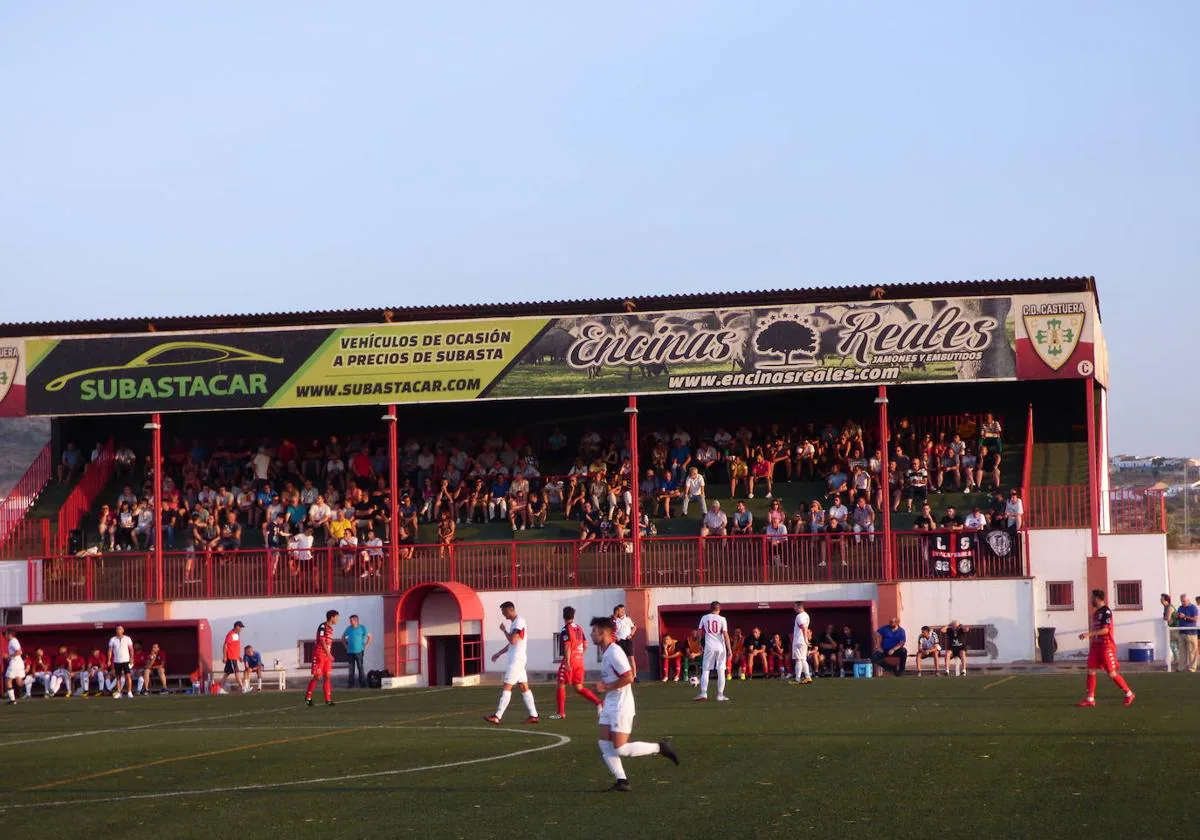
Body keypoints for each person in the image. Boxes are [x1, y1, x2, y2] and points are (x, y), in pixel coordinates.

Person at [590, 615, 679, 792]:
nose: (591, 634)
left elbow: (629, 677)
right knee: (604, 743)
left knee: (620, 748)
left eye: (594, 631)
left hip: (621, 706)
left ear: (602, 633)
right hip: (611, 704)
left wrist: (605, 687)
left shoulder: (614, 652)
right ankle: (622, 781)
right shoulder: (607, 652)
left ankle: (660, 747)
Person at [1077, 589, 1135, 706]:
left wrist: (1088, 634)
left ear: (1097, 598)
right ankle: (1090, 699)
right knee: (1091, 670)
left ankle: (1129, 693)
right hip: (1096, 646)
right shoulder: (1096, 613)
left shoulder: (1106, 612)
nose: (1090, 600)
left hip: (1105, 646)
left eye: (1091, 598)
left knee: (1111, 673)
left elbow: (1105, 630)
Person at [484, 601, 539, 725]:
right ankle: (534, 715)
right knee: (523, 687)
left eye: (504, 612)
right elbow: (513, 643)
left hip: (516, 660)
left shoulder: (519, 622)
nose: (503, 615)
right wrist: (499, 653)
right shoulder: (516, 622)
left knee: (507, 686)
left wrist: (504, 631)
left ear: (510, 610)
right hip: (518, 658)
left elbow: (513, 640)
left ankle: (497, 716)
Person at [550, 606, 601, 720]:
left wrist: (567, 662)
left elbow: (567, 646)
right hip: (579, 661)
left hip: (570, 661)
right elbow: (585, 645)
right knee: (579, 687)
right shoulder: (579, 628)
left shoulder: (565, 629)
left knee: (561, 684)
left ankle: (561, 713)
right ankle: (599, 703)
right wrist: (579, 655)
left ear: (563, 616)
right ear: (573, 616)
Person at [694, 601, 731, 702]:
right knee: (721, 670)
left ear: (710, 608)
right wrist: (729, 649)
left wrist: (699, 645)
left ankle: (703, 693)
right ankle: (720, 695)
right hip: (720, 647)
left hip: (709, 646)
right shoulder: (722, 619)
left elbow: (699, 633)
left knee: (706, 670)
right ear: (719, 609)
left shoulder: (704, 617)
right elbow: (725, 634)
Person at [305, 609, 340, 706]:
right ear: (332, 617)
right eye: (337, 617)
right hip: (319, 655)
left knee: (328, 677)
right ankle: (308, 697)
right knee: (317, 677)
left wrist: (328, 655)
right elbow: (322, 641)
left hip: (327, 657)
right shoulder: (322, 626)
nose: (337, 619)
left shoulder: (331, 629)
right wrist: (329, 654)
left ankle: (328, 700)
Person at [342, 614, 372, 689]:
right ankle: (350, 684)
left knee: (360, 667)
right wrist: (346, 646)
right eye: (350, 620)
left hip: (359, 651)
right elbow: (343, 637)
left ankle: (363, 684)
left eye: (351, 620)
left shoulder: (362, 628)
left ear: (356, 621)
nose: (350, 622)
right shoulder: (348, 629)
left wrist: (366, 645)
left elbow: (370, 636)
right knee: (351, 668)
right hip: (350, 652)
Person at [222, 621, 251, 694]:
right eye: (240, 627)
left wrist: (238, 656)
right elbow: (225, 645)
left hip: (234, 657)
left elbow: (235, 646)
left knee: (227, 673)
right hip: (231, 657)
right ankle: (242, 688)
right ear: (236, 626)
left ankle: (220, 688)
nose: (241, 628)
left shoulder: (237, 634)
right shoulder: (230, 634)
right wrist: (225, 656)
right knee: (237, 671)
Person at [107, 625, 135, 698]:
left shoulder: (127, 638)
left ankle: (129, 692)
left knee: (128, 676)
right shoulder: (112, 639)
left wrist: (132, 658)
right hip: (117, 661)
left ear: (123, 630)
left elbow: (131, 649)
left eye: (120, 629)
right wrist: (109, 660)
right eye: (117, 629)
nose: (118, 630)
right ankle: (119, 692)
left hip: (126, 660)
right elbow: (110, 650)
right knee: (118, 677)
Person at [613, 604, 638, 683]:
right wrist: (615, 637)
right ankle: (621, 676)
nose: (623, 612)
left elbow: (634, 626)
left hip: (627, 641)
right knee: (619, 659)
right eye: (621, 610)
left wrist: (631, 635)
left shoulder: (628, 619)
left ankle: (634, 677)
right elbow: (611, 630)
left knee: (631, 658)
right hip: (619, 641)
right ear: (617, 611)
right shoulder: (614, 620)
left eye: (623, 610)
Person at [1176, 594, 1199, 672]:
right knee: (1182, 652)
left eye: (1184, 601)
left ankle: (1192, 668)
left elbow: (1195, 619)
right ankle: (1181, 668)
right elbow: (1178, 617)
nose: (1183, 603)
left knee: (1192, 652)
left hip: (1191, 633)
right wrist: (1177, 616)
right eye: (1182, 601)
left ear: (1188, 600)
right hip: (1182, 632)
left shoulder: (1193, 608)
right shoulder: (1180, 608)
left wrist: (1185, 617)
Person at [791, 601, 812, 684]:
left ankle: (797, 679)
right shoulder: (806, 615)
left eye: (795, 606)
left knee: (799, 660)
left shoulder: (800, 616)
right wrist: (806, 639)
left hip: (799, 640)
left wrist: (805, 639)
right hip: (802, 641)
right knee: (803, 659)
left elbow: (803, 628)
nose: (794, 608)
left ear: (799, 607)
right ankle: (807, 677)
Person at [4, 628, 23, 705]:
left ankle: (12, 700)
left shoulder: (13, 641)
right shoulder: (13, 641)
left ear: (9, 634)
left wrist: (8, 656)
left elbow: (19, 652)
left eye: (6, 634)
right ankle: (31, 679)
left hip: (15, 663)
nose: (5, 635)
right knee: (19, 682)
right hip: (18, 663)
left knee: (8, 680)